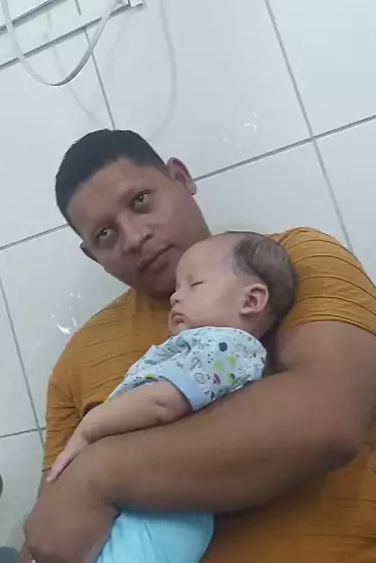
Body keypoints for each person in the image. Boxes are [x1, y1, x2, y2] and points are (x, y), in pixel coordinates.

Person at [24, 129, 376, 563]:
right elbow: (52, 528)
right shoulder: (78, 358)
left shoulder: (289, 264)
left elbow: (326, 423)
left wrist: (100, 472)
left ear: (181, 178)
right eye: (105, 234)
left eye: (141, 201)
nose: (134, 237)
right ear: (93, 255)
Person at [45, 231, 296, 563]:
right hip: (147, 496)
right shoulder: (206, 347)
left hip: (167, 510)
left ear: (251, 301)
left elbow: (161, 404)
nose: (176, 297)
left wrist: (92, 426)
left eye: (194, 284)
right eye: (178, 287)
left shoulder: (227, 346)